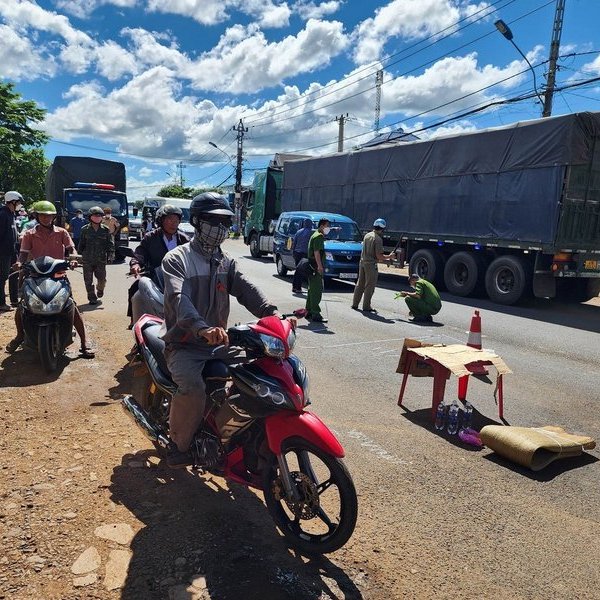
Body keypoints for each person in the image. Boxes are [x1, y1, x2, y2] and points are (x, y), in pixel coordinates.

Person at [160, 192, 283, 468]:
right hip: (185, 345)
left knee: (262, 370)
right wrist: (202, 328)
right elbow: (179, 300)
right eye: (212, 221)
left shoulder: (226, 261)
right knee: (192, 388)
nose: (219, 229)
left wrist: (272, 314)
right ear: (196, 222)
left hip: (218, 343)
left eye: (224, 222)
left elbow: (247, 289)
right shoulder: (177, 259)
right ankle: (178, 445)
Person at [6, 201, 95, 357]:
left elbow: (71, 248)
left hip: (58, 275)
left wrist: (73, 258)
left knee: (71, 305)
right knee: (22, 307)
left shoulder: (62, 232)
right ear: (37, 216)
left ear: (54, 217)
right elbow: (23, 253)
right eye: (43, 215)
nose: (46, 219)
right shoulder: (29, 234)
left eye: (49, 216)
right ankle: (20, 335)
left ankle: (84, 341)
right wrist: (19, 263)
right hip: (35, 275)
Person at [127, 204, 189, 326]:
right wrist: (135, 264)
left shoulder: (184, 239)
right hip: (156, 278)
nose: (174, 223)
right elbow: (140, 253)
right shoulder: (150, 237)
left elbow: (193, 257)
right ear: (160, 220)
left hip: (179, 279)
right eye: (170, 220)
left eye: (176, 220)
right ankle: (135, 322)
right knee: (135, 292)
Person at [352, 218, 395, 313]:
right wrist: (390, 256)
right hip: (371, 265)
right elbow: (379, 256)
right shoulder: (378, 239)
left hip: (362, 263)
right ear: (382, 229)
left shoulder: (367, 235)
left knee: (360, 284)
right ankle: (366, 306)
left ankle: (355, 304)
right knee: (369, 286)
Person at [78, 206, 114, 305]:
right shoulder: (84, 229)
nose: (98, 217)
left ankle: (100, 289)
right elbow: (81, 244)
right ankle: (92, 297)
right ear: (90, 217)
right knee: (88, 281)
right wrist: (78, 256)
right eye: (95, 215)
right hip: (87, 259)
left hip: (100, 260)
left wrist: (111, 255)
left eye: (100, 215)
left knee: (102, 279)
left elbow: (110, 244)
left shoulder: (105, 230)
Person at [0, 191, 23, 312]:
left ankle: (14, 300)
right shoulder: (3, 215)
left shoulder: (11, 214)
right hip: (3, 252)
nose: (20, 205)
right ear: (12, 201)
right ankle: (1, 303)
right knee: (2, 277)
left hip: (13, 251)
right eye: (18, 202)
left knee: (15, 275)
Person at [305, 218, 330, 323]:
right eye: (327, 226)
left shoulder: (314, 234)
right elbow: (317, 253)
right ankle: (316, 313)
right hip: (315, 266)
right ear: (322, 226)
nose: (328, 228)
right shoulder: (319, 236)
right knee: (316, 291)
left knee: (311, 289)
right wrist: (320, 266)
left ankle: (309, 311)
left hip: (311, 265)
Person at [291, 217, 313, 294]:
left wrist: (293, 252)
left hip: (297, 253)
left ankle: (294, 287)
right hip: (304, 254)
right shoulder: (311, 232)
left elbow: (294, 243)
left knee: (298, 270)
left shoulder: (298, 232)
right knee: (301, 271)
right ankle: (298, 288)